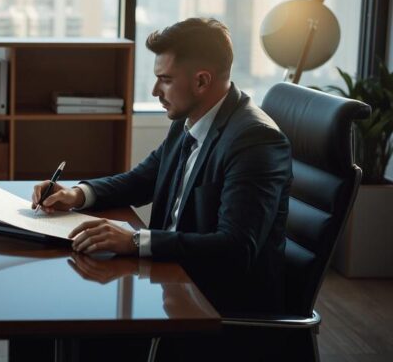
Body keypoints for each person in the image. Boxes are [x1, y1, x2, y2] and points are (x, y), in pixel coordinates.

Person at [32, 18, 292, 316]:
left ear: (202, 81)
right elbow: (142, 180)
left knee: (69, 316)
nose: (155, 90)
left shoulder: (255, 142)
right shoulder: (189, 119)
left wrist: (134, 241)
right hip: (171, 277)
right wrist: (77, 194)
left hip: (217, 304)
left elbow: (235, 248)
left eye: (165, 79)